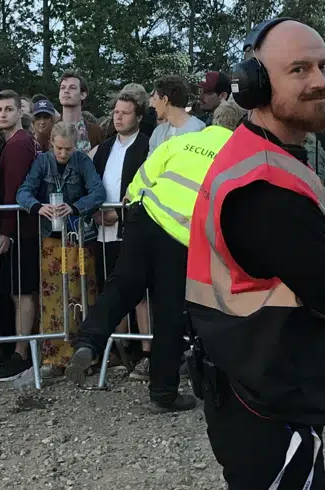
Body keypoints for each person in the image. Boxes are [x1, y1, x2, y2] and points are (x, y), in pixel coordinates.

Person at [186, 18, 325, 490]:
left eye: (323, 67)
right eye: (298, 70)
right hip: (266, 396)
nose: (320, 82)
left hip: (251, 377)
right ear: (254, 85)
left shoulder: (264, 156)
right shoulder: (265, 185)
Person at [67, 108, 237, 412]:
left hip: (145, 218)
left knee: (121, 287)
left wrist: (133, 209)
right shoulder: (235, 157)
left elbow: (141, 179)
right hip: (183, 238)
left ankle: (87, 342)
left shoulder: (182, 142)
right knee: (169, 316)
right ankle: (163, 393)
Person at [14, 121, 107, 385]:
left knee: (82, 295)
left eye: (68, 149)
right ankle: (54, 357)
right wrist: (36, 207)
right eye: (59, 148)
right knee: (52, 300)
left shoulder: (82, 162)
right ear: (51, 143)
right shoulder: (42, 162)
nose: (63, 153)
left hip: (78, 238)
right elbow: (24, 191)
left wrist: (76, 207)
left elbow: (98, 191)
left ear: (75, 146)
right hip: (51, 240)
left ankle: (85, 353)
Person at [89, 90, 152, 376]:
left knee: (140, 294)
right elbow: (91, 183)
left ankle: (147, 351)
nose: (118, 117)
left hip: (133, 229)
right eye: (116, 112)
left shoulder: (146, 146)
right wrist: (93, 210)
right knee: (112, 291)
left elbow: (149, 188)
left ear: (138, 116)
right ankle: (120, 349)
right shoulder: (104, 147)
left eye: (125, 112)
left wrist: (121, 213)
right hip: (104, 232)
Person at [0, 90, 42, 382]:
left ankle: (22, 353)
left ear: (20, 111)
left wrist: (6, 231)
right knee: (17, 292)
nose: (4, 114)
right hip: (19, 229)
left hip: (23, 230)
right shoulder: (13, 144)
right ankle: (19, 349)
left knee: (21, 292)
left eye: (10, 108)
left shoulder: (19, 144)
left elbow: (14, 193)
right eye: (0, 109)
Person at [148, 74, 205, 153]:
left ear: (165, 99)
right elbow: (149, 164)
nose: (153, 105)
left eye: (155, 99)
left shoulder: (199, 130)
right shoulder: (158, 132)